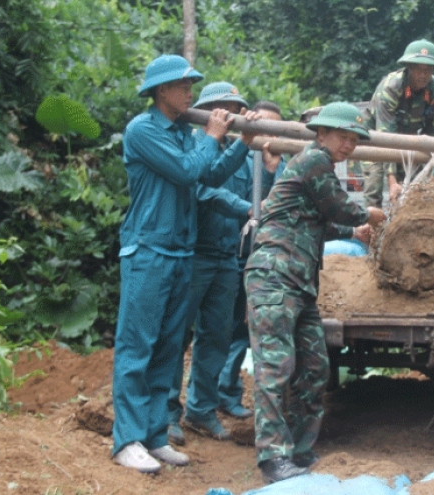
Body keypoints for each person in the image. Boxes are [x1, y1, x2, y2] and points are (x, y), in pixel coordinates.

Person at [112, 55, 258, 473]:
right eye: (183, 85)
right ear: (161, 91)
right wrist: (212, 134)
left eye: (192, 83)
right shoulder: (143, 130)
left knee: (166, 348)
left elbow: (208, 175)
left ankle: (156, 435)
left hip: (180, 251)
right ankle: (128, 439)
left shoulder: (181, 131)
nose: (191, 92)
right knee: (137, 347)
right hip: (148, 250)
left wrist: (242, 143)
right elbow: (185, 170)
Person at [246, 102, 386, 484]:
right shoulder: (314, 161)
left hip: (302, 282)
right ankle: (273, 458)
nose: (349, 146)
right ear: (321, 133)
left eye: (355, 140)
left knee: (315, 366)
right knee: (275, 367)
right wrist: (372, 216)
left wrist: (352, 232)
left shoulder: (314, 170)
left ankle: (299, 451)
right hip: (275, 274)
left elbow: (317, 220)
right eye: (344, 136)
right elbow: (339, 208)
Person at [166, 86, 277, 446]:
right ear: (206, 112)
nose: (228, 116)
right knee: (177, 334)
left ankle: (201, 409)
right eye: (222, 109)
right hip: (194, 253)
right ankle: (167, 412)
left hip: (228, 257)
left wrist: (267, 163)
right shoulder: (192, 146)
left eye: (235, 110)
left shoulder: (244, 157)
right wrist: (242, 206)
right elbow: (202, 189)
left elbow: (259, 201)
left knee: (217, 335)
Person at [213, 100, 287, 425]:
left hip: (266, 259)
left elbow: (276, 204)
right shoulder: (237, 156)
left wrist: (271, 170)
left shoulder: (281, 162)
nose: (266, 135)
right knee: (227, 329)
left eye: (274, 129)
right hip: (235, 252)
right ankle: (217, 394)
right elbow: (245, 204)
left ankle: (228, 394)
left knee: (248, 330)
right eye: (262, 126)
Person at [362, 39, 434, 207]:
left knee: (418, 188)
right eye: (418, 69)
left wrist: (431, 174)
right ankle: (371, 229)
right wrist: (392, 181)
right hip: (375, 140)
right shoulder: (391, 88)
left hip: (409, 141)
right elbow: (385, 136)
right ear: (408, 67)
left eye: (428, 70)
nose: (423, 75)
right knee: (374, 183)